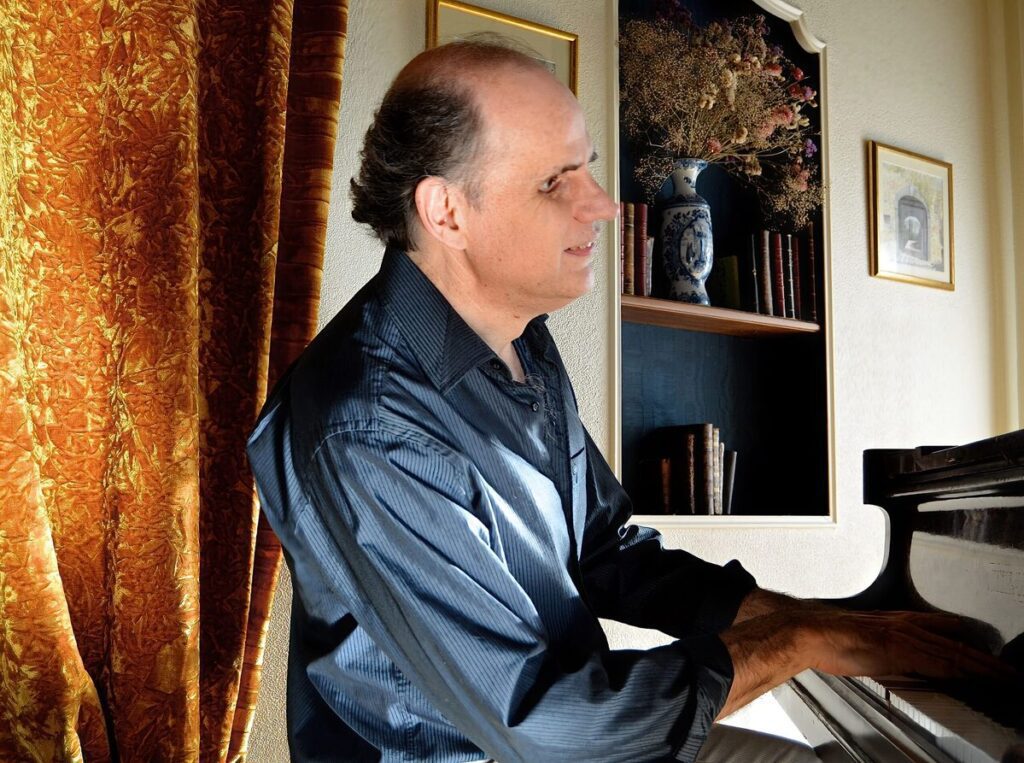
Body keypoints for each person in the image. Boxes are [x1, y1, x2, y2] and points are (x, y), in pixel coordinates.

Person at [247, 40, 1008, 762]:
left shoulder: (521, 339)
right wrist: (799, 641)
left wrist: (819, 620)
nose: (604, 207)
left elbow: (606, 552)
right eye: (554, 182)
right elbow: (545, 722)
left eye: (590, 169)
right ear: (447, 211)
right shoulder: (367, 423)